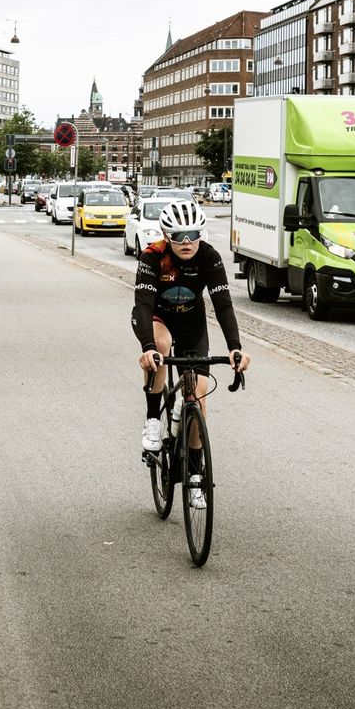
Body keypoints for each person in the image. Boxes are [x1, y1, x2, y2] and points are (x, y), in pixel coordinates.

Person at [131, 199, 250, 510]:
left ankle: (196, 475)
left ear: (202, 234)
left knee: (197, 394)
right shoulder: (153, 255)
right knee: (161, 348)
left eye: (193, 234)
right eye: (179, 235)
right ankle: (152, 421)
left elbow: (223, 305)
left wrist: (235, 347)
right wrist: (146, 347)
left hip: (192, 322)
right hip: (156, 318)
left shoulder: (209, 257)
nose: (187, 242)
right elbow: (143, 304)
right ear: (166, 235)